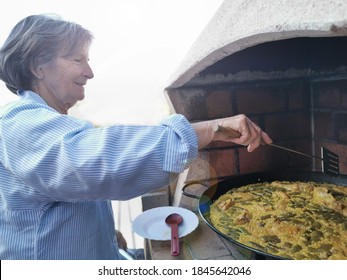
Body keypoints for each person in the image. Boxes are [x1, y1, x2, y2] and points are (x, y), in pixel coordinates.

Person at [0, 14, 272, 260]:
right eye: (76, 59)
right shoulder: (20, 123)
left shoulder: (49, 124)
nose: (90, 72)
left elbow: (67, 189)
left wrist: (109, 237)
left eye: (88, 60)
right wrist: (210, 129)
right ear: (38, 67)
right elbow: (101, 161)